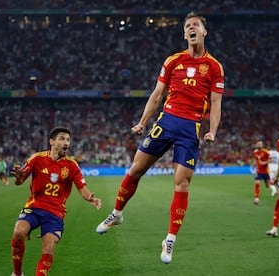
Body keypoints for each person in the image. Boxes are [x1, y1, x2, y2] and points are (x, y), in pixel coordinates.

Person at [95, 11, 224, 264]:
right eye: (187, 26)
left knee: (181, 183)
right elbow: (157, 95)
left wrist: (213, 131)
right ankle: (117, 214)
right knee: (135, 170)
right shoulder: (172, 61)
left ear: (204, 31)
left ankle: (170, 239)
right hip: (166, 121)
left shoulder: (215, 67)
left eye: (195, 25)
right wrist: (143, 122)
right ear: (184, 33)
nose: (191, 28)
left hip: (190, 128)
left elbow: (217, 103)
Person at [9, 127, 102, 276]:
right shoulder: (37, 159)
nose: (66, 142)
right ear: (52, 141)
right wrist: (19, 178)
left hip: (55, 213)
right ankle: (17, 273)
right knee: (18, 232)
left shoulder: (71, 165)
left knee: (49, 248)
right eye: (62, 139)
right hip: (34, 207)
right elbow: (19, 181)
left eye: (68, 140)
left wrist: (91, 198)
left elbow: (82, 188)